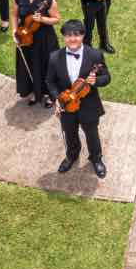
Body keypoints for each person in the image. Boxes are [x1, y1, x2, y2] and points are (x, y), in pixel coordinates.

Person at [48, 19, 110, 178]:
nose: (72, 39)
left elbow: (107, 77)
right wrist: (57, 98)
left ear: (82, 36)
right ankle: (72, 156)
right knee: (69, 133)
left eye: (76, 35)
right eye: (68, 36)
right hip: (66, 104)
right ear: (63, 37)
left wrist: (96, 81)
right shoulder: (55, 57)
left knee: (92, 134)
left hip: (89, 104)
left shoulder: (95, 55)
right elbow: (50, 81)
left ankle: (96, 159)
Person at [12, 0, 60, 107]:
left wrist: (43, 19)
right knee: (29, 65)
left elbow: (57, 19)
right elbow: (14, 15)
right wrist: (14, 31)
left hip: (44, 40)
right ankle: (34, 92)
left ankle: (51, 95)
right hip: (25, 38)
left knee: (46, 67)